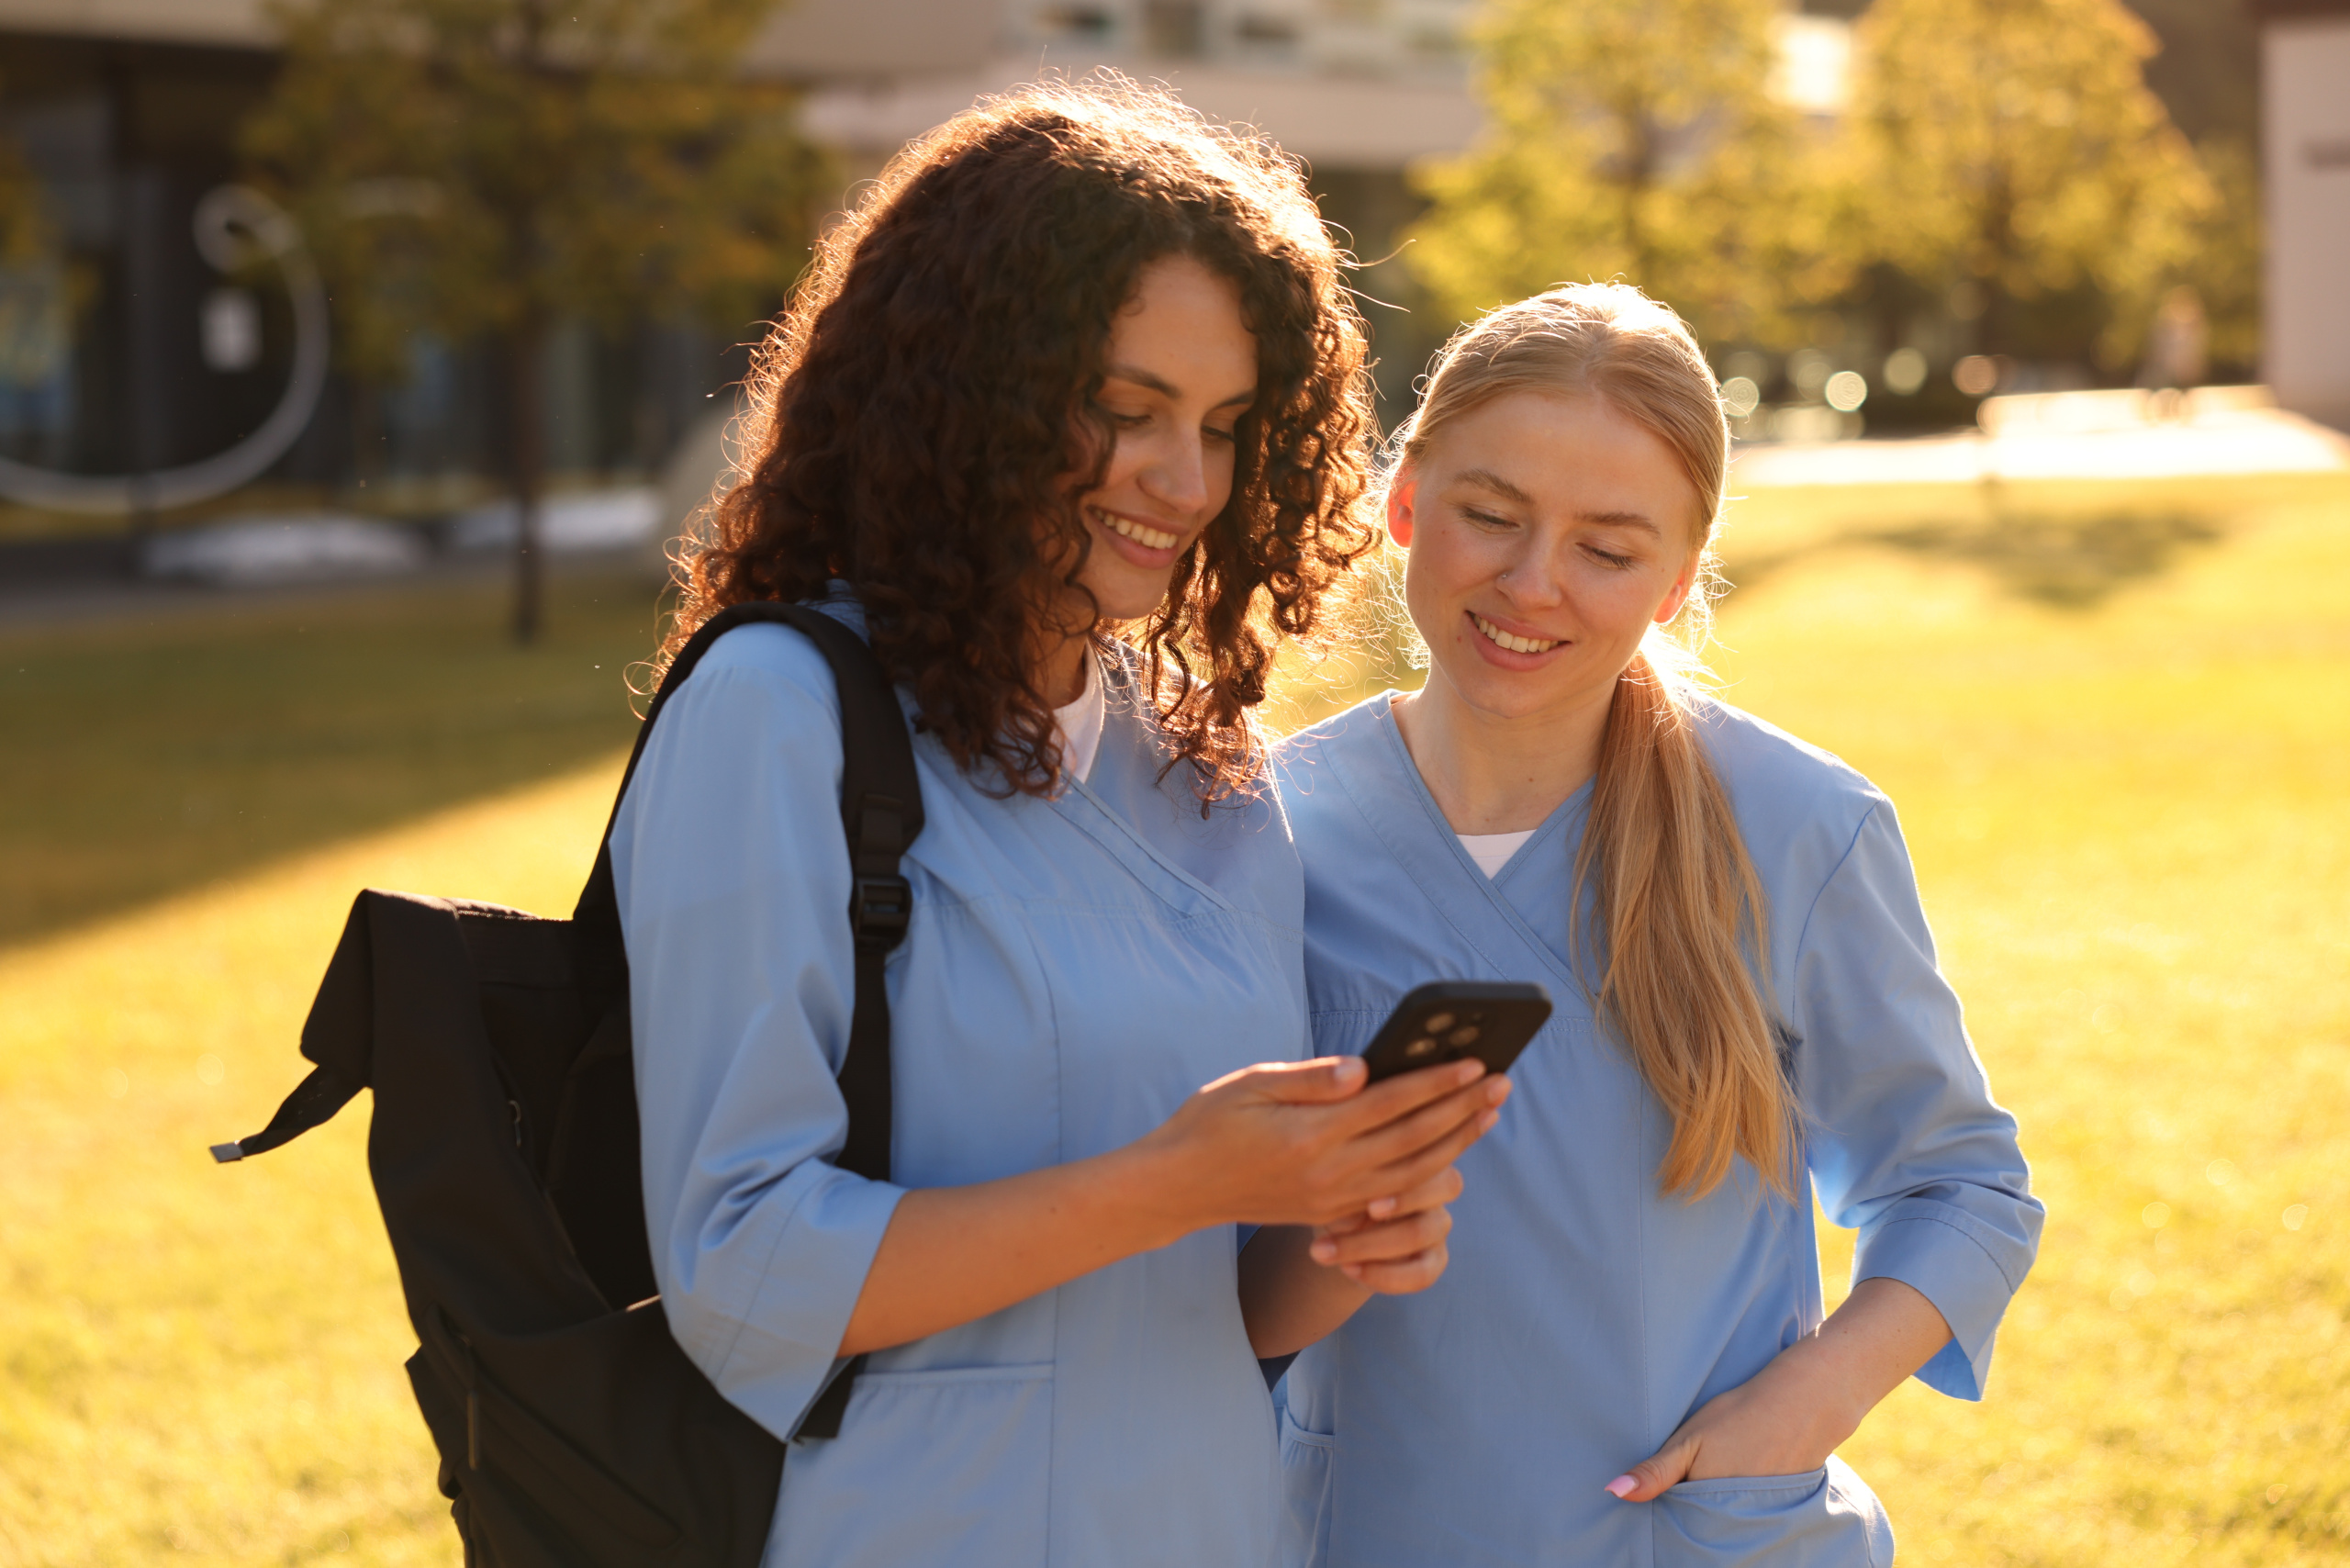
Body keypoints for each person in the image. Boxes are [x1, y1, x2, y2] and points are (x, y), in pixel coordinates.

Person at [607, 82, 1509, 1568]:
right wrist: (1177, 1178)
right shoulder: (779, 714)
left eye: (1224, 426)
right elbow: (739, 1265)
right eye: (1126, 409)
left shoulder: (1207, 774)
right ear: (968, 390)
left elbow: (1218, 1310)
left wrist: (1340, 1240)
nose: (1187, 481)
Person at [1272, 284, 2044, 1566]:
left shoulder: (1797, 827)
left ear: (1681, 581)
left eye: (1608, 549)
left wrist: (1802, 1411)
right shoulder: (1268, 829)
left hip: (1695, 1541)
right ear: (1404, 501)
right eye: (1489, 515)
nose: (1533, 585)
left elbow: (1962, 1188)